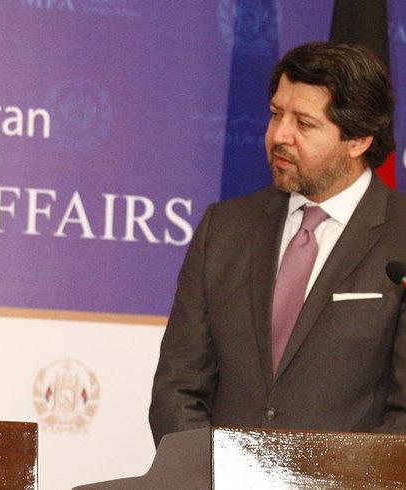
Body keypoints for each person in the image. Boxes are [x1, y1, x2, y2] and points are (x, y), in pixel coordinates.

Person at [149, 42, 406, 447]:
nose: (279, 135)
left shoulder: (399, 236)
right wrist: (211, 473)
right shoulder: (224, 229)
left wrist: (327, 476)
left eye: (303, 123)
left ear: (358, 140)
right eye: (275, 114)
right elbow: (178, 386)